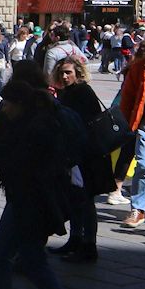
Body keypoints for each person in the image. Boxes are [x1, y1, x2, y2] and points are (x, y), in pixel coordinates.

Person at [0, 76, 77, 289]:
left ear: (21, 103)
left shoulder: (37, 128)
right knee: (32, 259)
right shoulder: (30, 123)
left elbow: (19, 164)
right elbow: (13, 154)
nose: (4, 108)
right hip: (29, 200)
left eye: (8, 103)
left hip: (30, 201)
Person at [50, 56, 110, 262]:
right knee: (76, 198)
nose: (65, 76)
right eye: (62, 73)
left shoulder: (83, 91)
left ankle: (89, 245)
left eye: (68, 72)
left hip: (87, 154)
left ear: (78, 73)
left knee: (85, 200)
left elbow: (85, 122)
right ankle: (75, 239)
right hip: (74, 153)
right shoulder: (66, 92)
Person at [116, 34, 145, 229]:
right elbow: (128, 96)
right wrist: (126, 122)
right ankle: (138, 209)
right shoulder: (141, 66)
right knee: (143, 164)